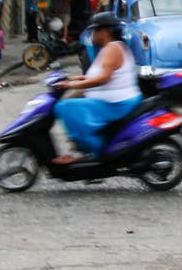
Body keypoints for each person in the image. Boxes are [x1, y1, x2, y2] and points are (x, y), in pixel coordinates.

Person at [51, 13, 143, 164]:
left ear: (105, 32)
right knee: (72, 101)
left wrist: (71, 85)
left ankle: (94, 151)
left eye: (95, 31)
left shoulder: (113, 49)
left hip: (117, 104)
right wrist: (70, 79)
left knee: (65, 107)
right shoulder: (109, 48)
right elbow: (96, 75)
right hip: (113, 101)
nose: (92, 35)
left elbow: (102, 78)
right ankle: (80, 148)